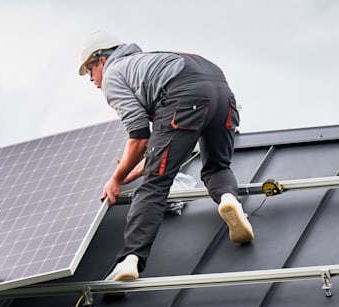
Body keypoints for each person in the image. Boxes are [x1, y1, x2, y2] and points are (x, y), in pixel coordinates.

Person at [78, 31, 254, 283]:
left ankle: (129, 261)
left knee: (154, 185)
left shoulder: (114, 74)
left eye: (89, 71)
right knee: (217, 167)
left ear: (102, 60)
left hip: (183, 96)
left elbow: (139, 135)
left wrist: (117, 178)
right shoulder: (146, 63)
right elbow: (168, 143)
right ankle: (229, 200)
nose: (92, 80)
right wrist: (140, 166)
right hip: (221, 92)